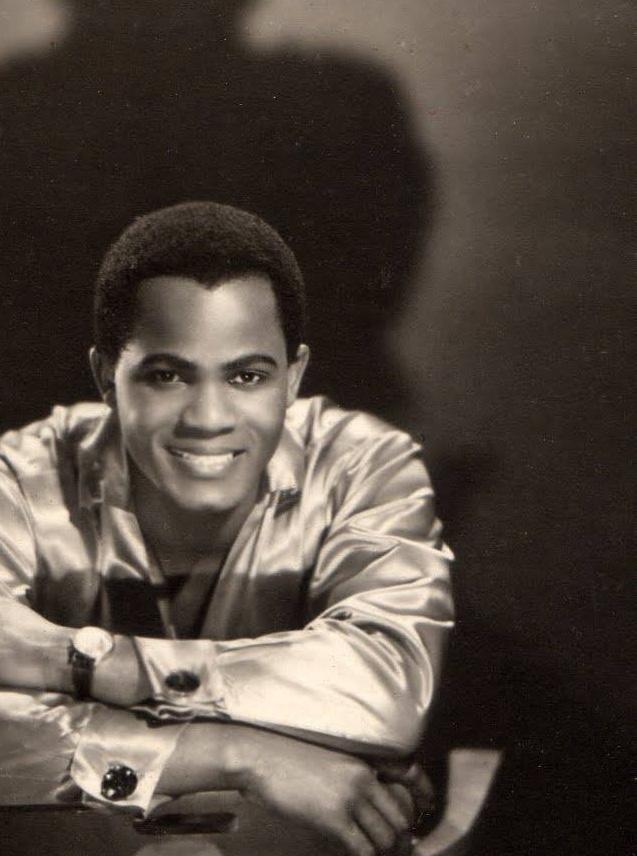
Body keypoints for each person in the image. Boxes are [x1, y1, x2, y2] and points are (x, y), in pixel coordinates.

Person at [0, 201, 454, 856]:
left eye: (247, 376)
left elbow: (386, 692)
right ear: (106, 377)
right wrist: (239, 754)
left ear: (292, 377)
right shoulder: (21, 478)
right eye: (166, 375)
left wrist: (84, 662)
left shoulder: (362, 464)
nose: (208, 418)